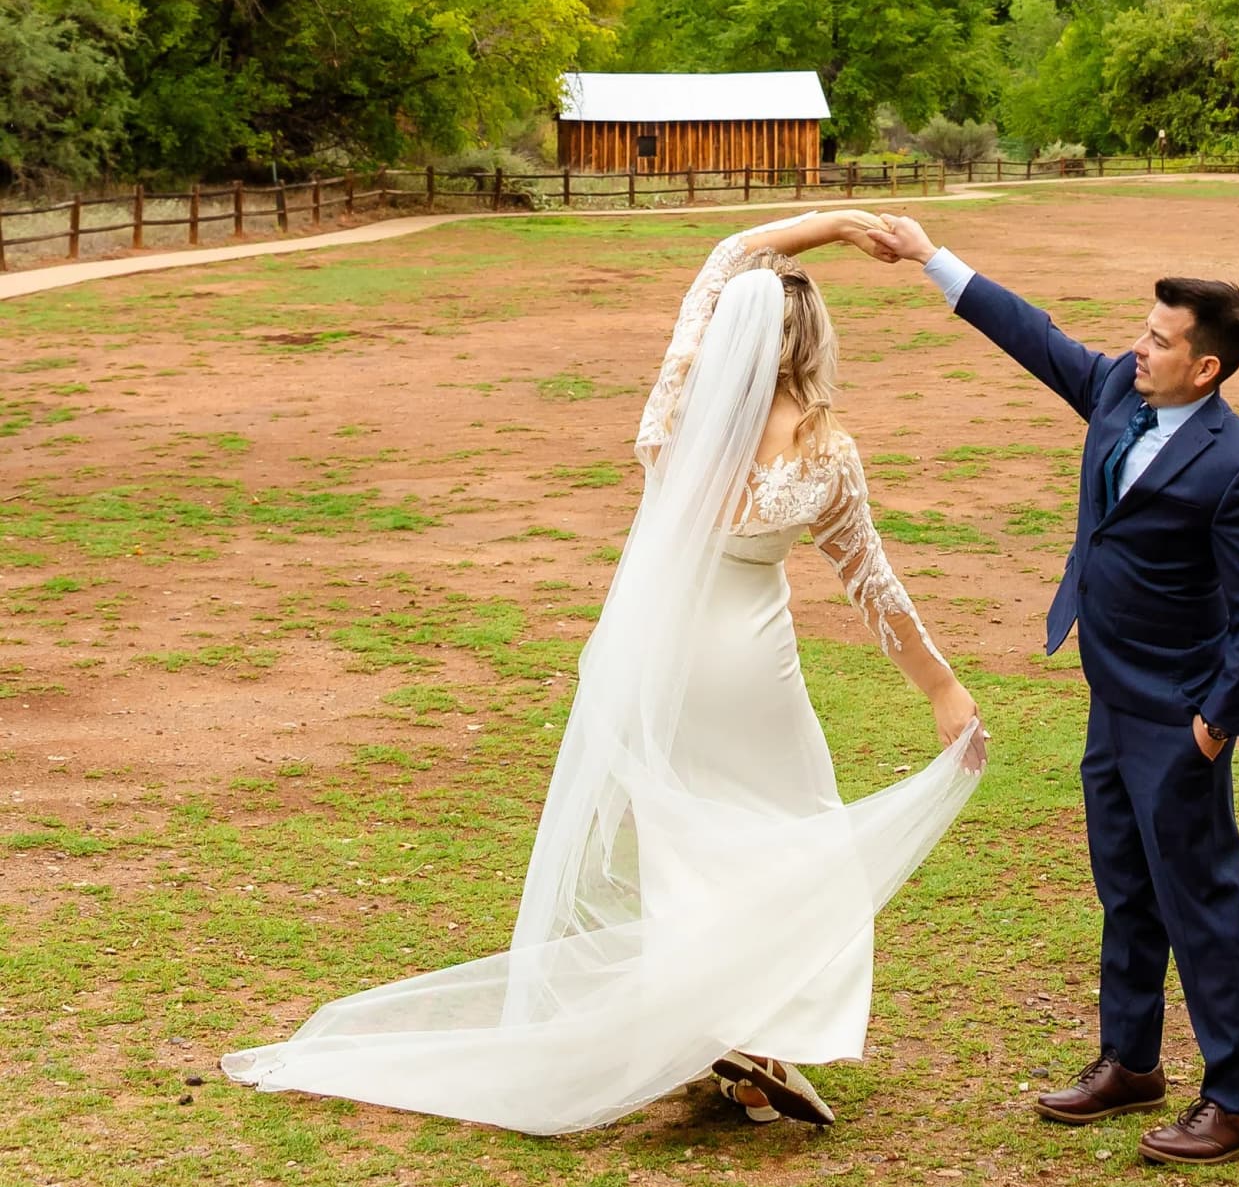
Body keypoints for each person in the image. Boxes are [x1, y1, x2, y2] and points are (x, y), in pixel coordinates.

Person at [225, 211, 984, 1136]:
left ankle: (735, 1047)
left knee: (685, 841)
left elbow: (727, 258)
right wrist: (942, 687)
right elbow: (874, 583)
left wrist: (829, 227)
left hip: (660, 657)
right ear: (811, 342)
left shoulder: (677, 421)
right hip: (752, 662)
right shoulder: (826, 449)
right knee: (795, 832)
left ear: (728, 334)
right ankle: (756, 1039)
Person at [874, 213, 1239, 1166]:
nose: (1136, 347)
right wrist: (932, 257)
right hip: (1111, 695)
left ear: (1206, 370)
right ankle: (1132, 1061)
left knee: (1201, 901)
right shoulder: (1117, 389)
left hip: (1178, 716)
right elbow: (1036, 335)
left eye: (1158, 339)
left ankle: (1237, 1101)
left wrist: (1214, 726)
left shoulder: (1235, 464)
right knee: (1126, 886)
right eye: (1143, 329)